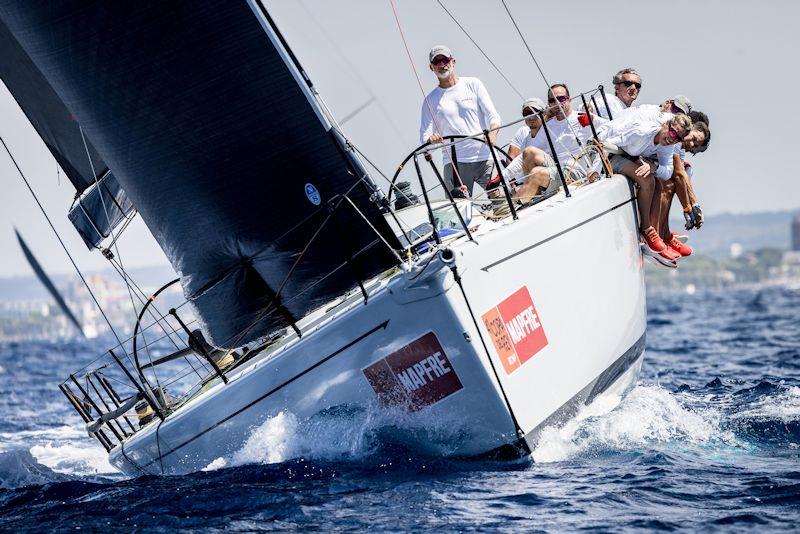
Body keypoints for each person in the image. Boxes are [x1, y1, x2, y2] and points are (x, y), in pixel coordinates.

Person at [598, 113, 692, 262]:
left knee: (659, 184)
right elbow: (603, 143)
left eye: (678, 138)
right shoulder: (642, 131)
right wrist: (593, 171)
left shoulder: (668, 144)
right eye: (673, 132)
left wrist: (653, 167)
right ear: (666, 125)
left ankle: (657, 236)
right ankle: (647, 230)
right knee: (647, 180)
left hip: (627, 157)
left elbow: (667, 172)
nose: (672, 139)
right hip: (609, 157)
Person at [419, 45, 501, 195]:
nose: (441, 65)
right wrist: (431, 139)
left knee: (503, 203)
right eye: (436, 62)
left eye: (444, 60)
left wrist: (493, 134)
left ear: (453, 61)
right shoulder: (430, 100)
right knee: (457, 214)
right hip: (454, 164)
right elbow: (424, 137)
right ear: (431, 68)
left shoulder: (473, 84)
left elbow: (493, 116)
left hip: (484, 157)